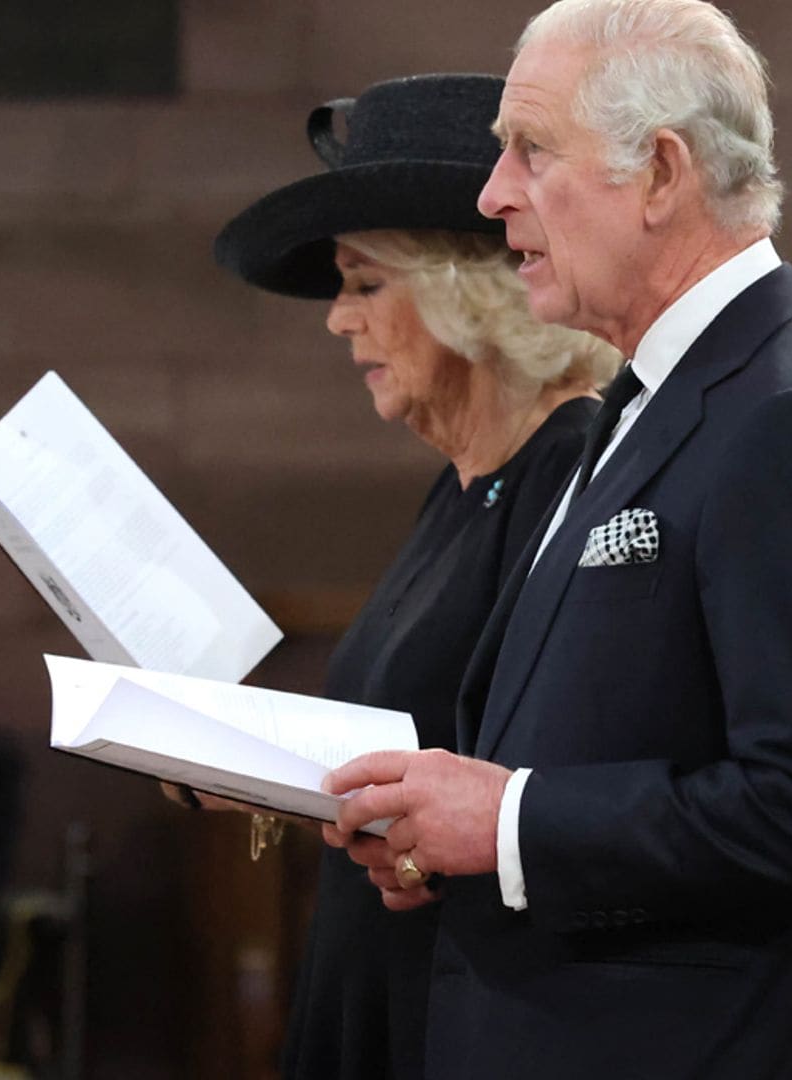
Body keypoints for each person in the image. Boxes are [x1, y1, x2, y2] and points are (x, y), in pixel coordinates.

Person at [323, 3, 792, 1077]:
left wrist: (508, 821)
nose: (492, 192)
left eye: (531, 150)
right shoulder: (654, 390)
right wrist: (455, 833)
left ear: (659, 172)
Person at [208, 73, 623, 1079]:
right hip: (380, 981)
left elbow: (548, 775)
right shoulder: (464, 484)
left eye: (363, 283)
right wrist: (215, 761)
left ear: (462, 288)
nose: (337, 321)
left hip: (466, 1006)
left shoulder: (565, 471)